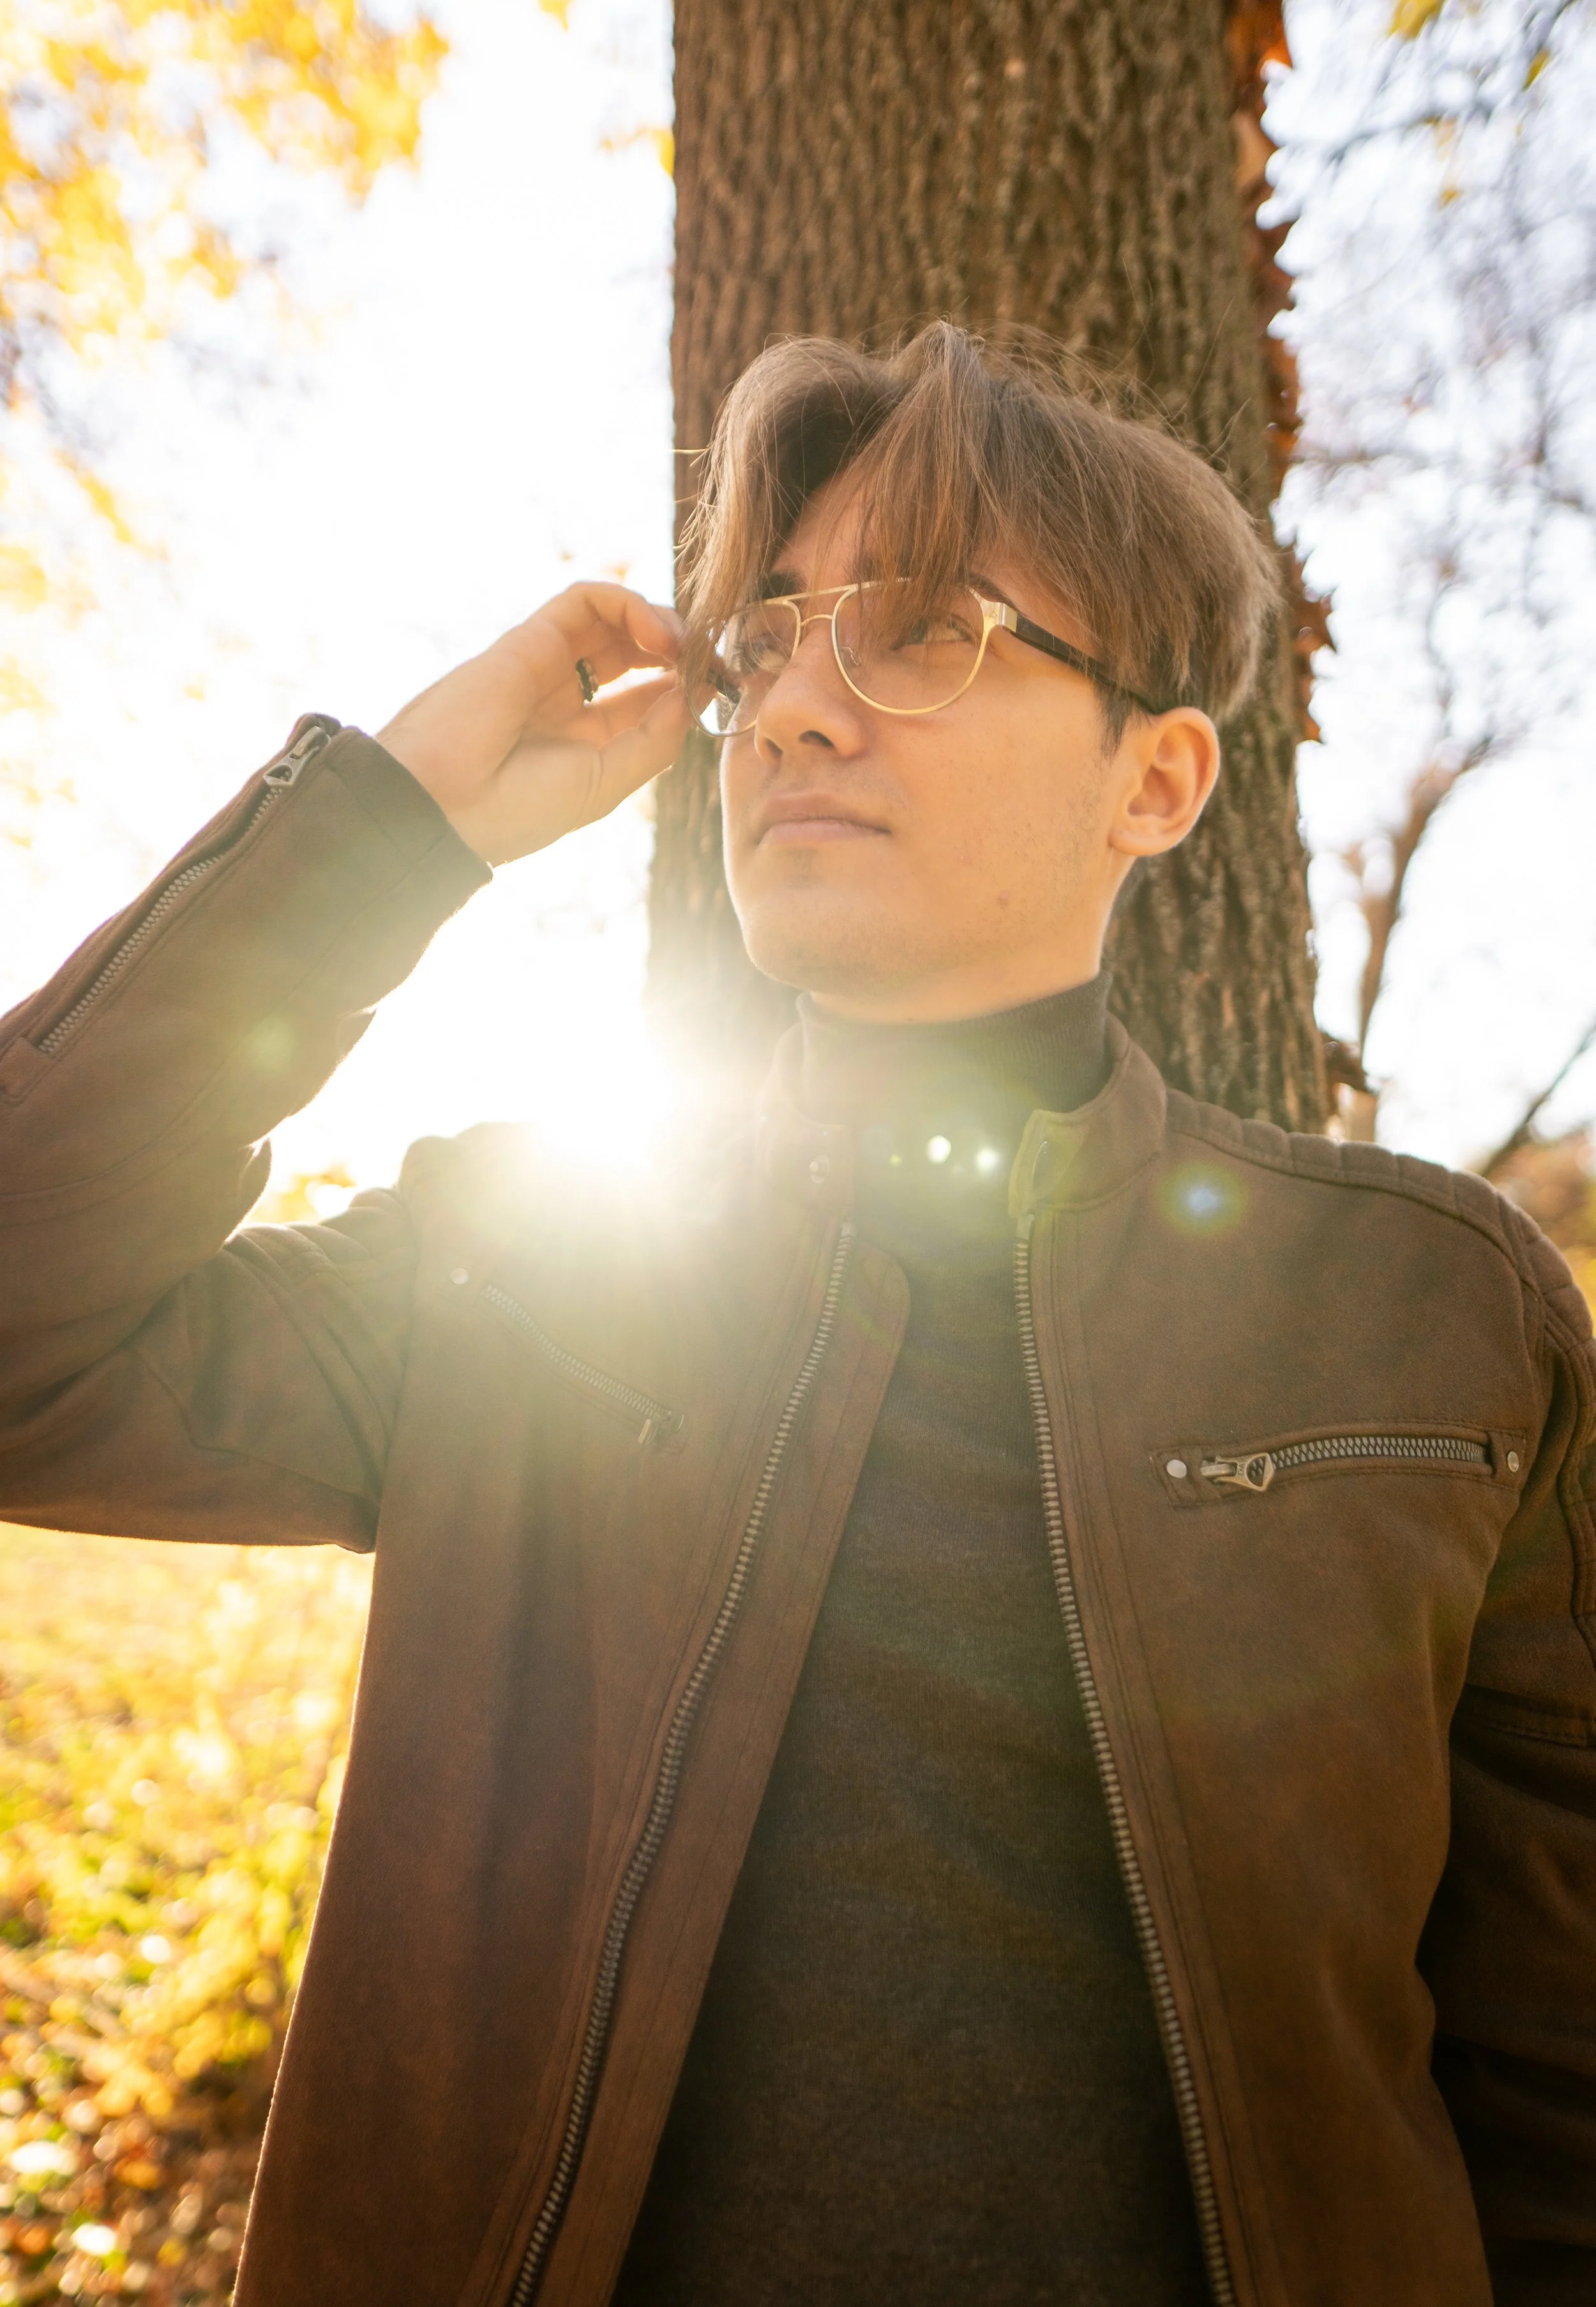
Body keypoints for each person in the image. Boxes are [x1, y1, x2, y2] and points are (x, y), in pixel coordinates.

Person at [0, 322, 1590, 2307]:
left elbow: (1552, 2090)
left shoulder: (1431, 1314)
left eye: (922, 630)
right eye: (765, 646)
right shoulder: (527, 1260)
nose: (793, 714)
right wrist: (385, 827)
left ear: (1158, 779)